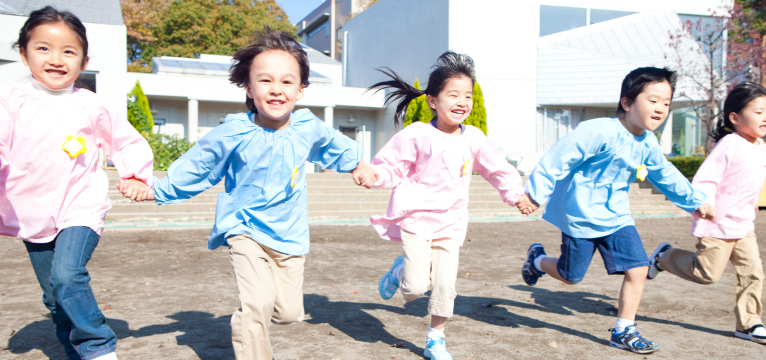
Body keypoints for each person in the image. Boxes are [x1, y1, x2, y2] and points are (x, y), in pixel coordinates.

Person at [119, 27, 376, 360]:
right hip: (245, 229)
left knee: (288, 313)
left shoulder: (307, 127)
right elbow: (198, 165)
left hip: (290, 235)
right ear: (249, 86)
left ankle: (256, 320)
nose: (276, 90)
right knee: (256, 305)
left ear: (301, 89)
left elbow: (333, 145)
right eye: (265, 80)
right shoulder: (233, 132)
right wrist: (154, 189)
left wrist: (357, 164)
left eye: (286, 81)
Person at [517, 67, 715, 354]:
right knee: (571, 276)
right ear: (627, 103)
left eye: (667, 103)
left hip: (617, 217)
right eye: (653, 100)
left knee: (638, 268)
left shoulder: (648, 142)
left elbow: (665, 175)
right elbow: (559, 157)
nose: (660, 109)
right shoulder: (598, 130)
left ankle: (623, 330)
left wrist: (695, 201)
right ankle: (537, 261)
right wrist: (534, 193)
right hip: (581, 217)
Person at [0, 6, 154, 360]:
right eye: (43, 48)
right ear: (23, 54)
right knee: (55, 295)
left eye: (68, 51)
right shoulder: (9, 101)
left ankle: (98, 347)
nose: (56, 59)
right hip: (31, 212)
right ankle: (75, 352)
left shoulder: (90, 104)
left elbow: (124, 140)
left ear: (84, 62)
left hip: (79, 205)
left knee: (68, 276)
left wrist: (134, 174)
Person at [368, 51, 527, 360]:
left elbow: (498, 169)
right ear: (433, 100)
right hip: (416, 219)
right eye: (452, 94)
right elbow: (391, 165)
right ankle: (400, 271)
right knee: (414, 288)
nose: (462, 102)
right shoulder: (417, 134)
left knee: (445, 285)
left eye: (467, 95)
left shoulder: (474, 138)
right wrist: (373, 177)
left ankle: (435, 338)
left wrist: (516, 194)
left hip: (451, 224)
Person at [647, 82, 766, 345]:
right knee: (707, 274)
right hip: (718, 221)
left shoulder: (763, 146)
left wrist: (752, 203)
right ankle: (664, 256)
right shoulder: (730, 144)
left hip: (743, 224)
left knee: (753, 273)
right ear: (735, 117)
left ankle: (749, 324)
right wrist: (702, 203)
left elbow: (751, 180)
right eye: (759, 111)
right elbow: (706, 179)